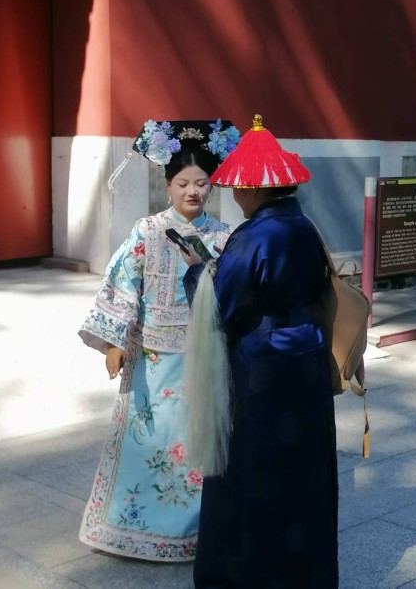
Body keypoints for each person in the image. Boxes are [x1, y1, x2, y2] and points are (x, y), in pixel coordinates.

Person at [182, 115, 339, 587]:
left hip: (261, 364)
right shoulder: (304, 226)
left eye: (237, 186)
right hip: (306, 354)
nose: (234, 193)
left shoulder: (253, 236)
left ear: (253, 188)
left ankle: (246, 573)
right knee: (304, 467)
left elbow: (221, 307)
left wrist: (197, 270)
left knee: (252, 467)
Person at [78, 119, 240, 561]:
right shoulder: (146, 231)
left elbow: (234, 296)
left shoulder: (225, 236)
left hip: (204, 356)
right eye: (183, 183)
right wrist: (115, 341)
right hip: (151, 358)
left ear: (212, 186)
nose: (193, 192)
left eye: (201, 183)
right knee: (146, 440)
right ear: (167, 185)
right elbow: (123, 283)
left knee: (198, 439)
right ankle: (131, 527)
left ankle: (197, 531)